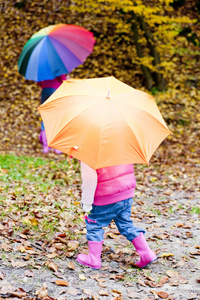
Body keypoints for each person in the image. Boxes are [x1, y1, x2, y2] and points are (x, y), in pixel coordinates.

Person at [76, 162, 157, 270]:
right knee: (125, 223)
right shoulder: (122, 146)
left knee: (94, 223)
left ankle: (93, 259)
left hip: (105, 195)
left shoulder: (89, 152)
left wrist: (86, 202)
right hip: (125, 192)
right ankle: (147, 253)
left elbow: (89, 179)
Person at [38, 74, 69, 154]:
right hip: (56, 90)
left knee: (46, 116)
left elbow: (38, 82)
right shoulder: (57, 65)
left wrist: (45, 86)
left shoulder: (42, 67)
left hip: (45, 91)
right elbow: (63, 80)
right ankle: (57, 147)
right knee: (57, 117)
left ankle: (46, 146)